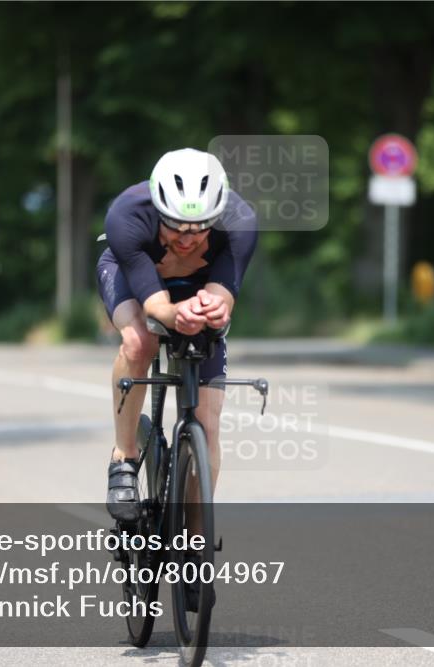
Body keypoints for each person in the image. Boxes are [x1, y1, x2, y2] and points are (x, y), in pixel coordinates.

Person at [98, 148, 257, 524]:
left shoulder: (241, 221)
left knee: (209, 422)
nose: (187, 238)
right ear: (156, 211)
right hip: (139, 283)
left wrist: (213, 311)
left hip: (198, 286)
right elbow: (157, 308)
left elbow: (221, 300)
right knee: (140, 340)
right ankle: (124, 457)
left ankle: (195, 546)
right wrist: (175, 313)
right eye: (175, 226)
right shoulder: (127, 215)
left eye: (200, 228)